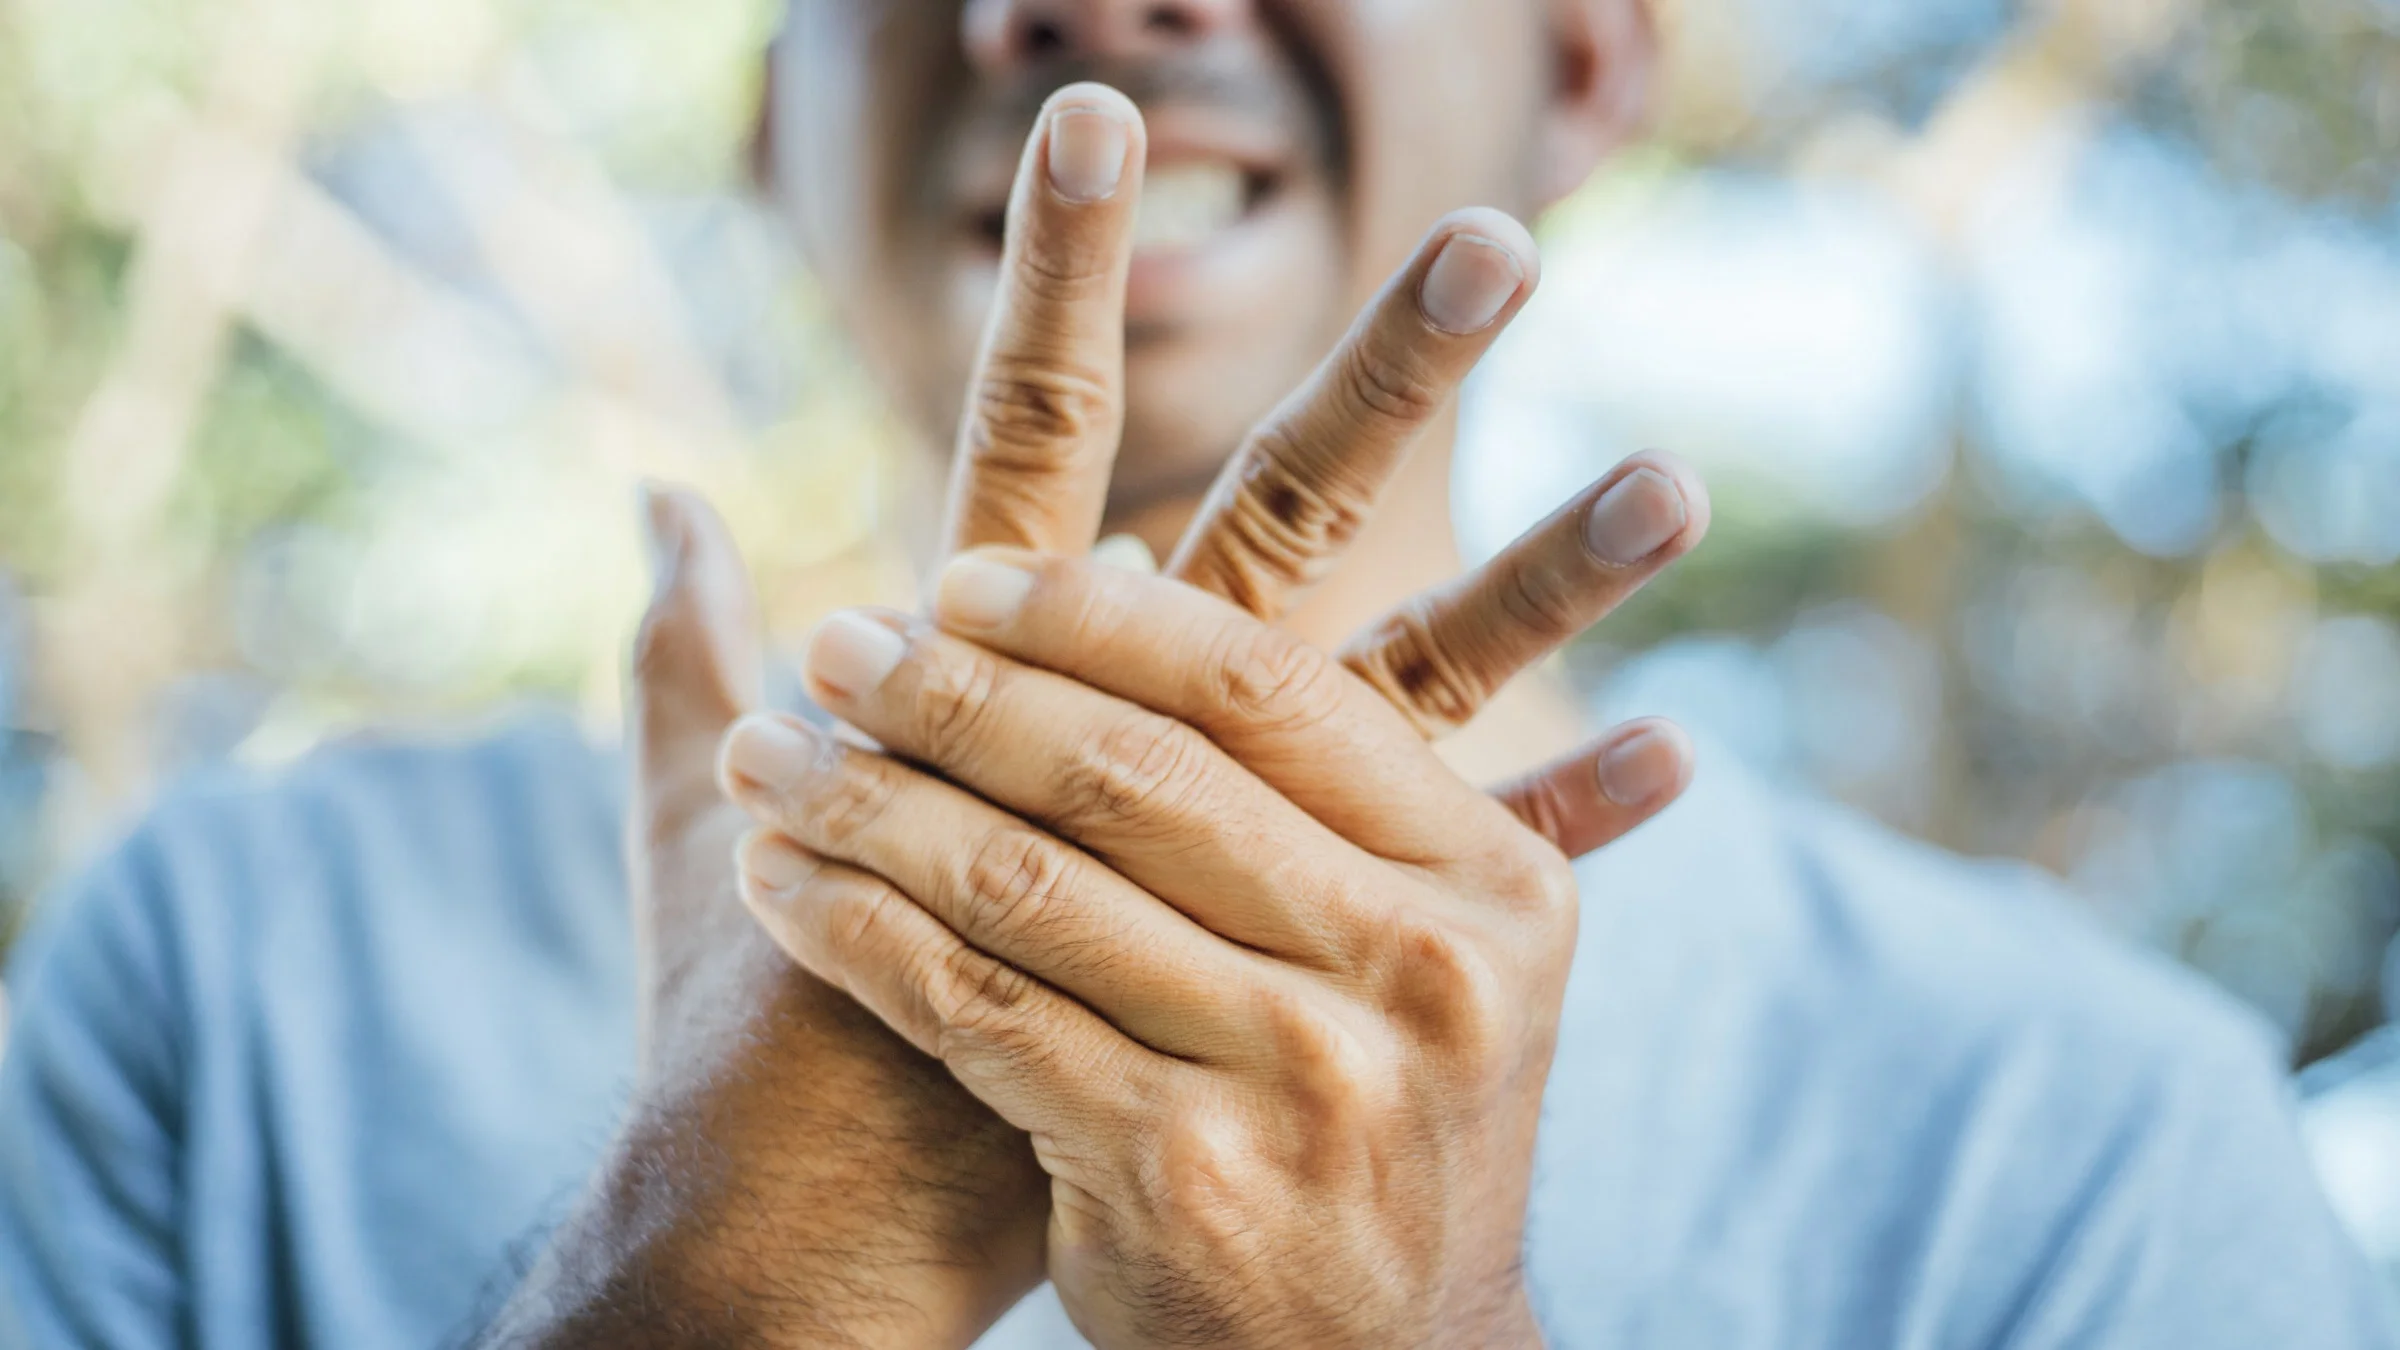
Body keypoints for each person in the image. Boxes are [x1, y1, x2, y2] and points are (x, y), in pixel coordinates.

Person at [1, 1, 2390, 1346]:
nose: (1087, 6)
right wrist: (701, 1293)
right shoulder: (235, 973)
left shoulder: (2086, 1150)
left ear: (1586, 61)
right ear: (765, 116)